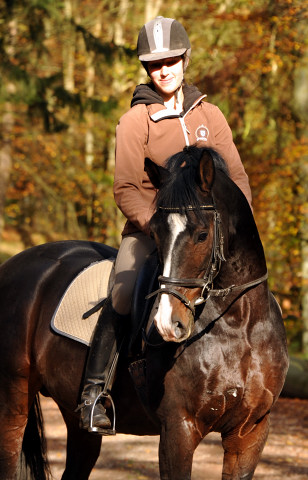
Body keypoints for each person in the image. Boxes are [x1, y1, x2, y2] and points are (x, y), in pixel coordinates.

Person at [78, 16, 252, 433]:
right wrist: (157, 226)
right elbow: (124, 188)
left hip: (207, 236)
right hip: (150, 233)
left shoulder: (211, 114)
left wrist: (239, 228)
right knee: (122, 291)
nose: (164, 69)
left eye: (171, 60)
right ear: (147, 69)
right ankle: (94, 393)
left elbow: (238, 179)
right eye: (155, 64)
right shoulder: (134, 122)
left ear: (184, 59)